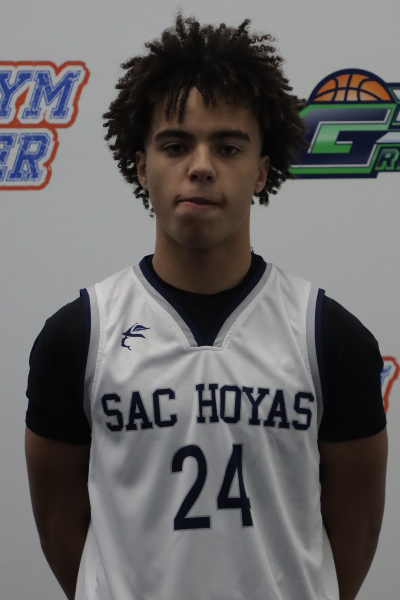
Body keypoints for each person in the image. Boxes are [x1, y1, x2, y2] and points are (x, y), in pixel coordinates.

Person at [25, 14, 388, 600]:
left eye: (228, 147)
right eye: (175, 145)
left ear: (261, 170)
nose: (200, 165)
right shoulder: (81, 335)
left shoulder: (328, 337)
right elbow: (60, 527)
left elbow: (355, 535)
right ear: (141, 166)